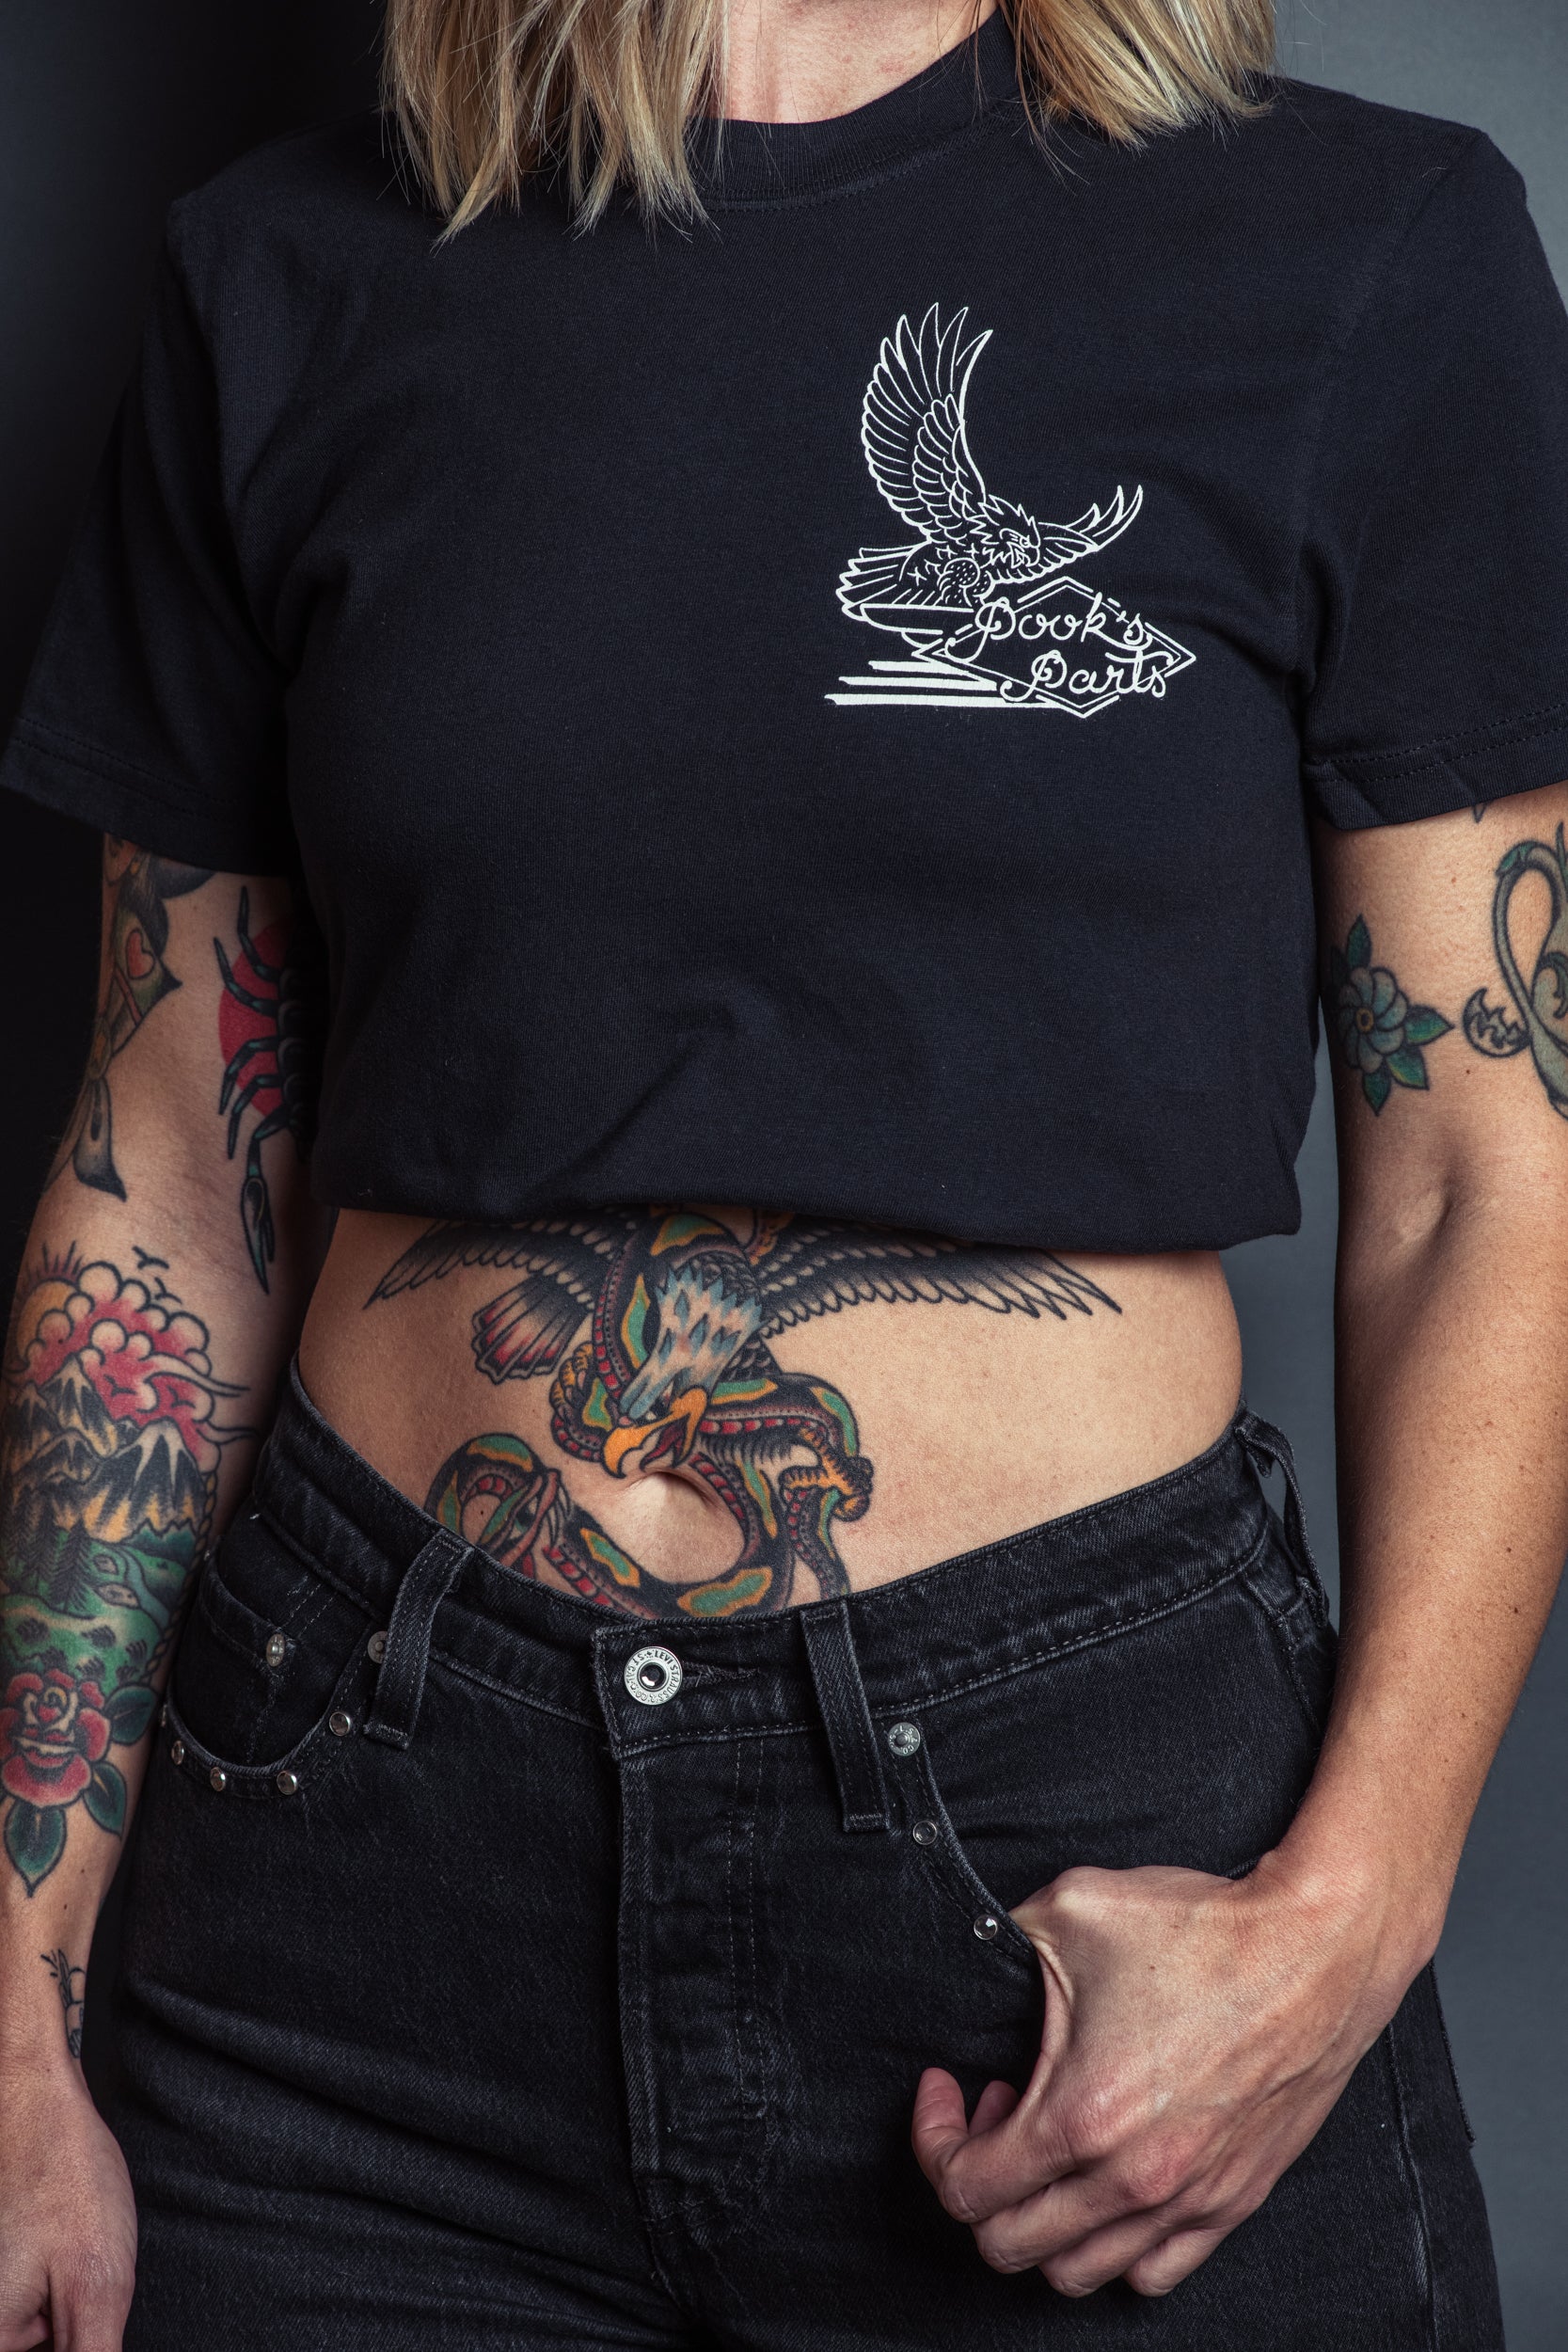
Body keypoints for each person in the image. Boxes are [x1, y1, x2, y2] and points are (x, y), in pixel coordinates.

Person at [2, 0, 1566, 2340]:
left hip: (1065, 1870)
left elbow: (1482, 1178)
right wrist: (11, 1985)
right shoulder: (288, 279)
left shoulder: (1361, 248)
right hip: (353, 1891)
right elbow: (163, 1170)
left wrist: (1356, 1907)